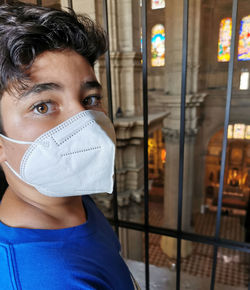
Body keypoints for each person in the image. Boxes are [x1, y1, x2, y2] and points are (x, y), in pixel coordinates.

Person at [0, 2, 139, 289]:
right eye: (42, 106)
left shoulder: (72, 198)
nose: (85, 122)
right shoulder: (45, 279)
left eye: (89, 99)